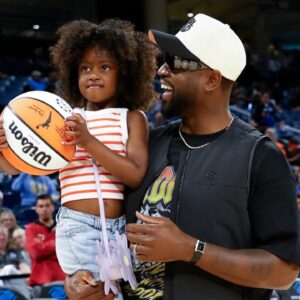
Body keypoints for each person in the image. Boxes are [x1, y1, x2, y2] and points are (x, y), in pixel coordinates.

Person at [65, 13, 300, 300]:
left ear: (211, 79)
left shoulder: (261, 157)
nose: (162, 71)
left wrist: (192, 249)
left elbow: (284, 271)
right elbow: (96, 215)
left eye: (174, 62)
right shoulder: (148, 144)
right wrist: (80, 278)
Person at [52, 18, 157, 297]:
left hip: (120, 229)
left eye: (105, 67)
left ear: (124, 75)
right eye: (84, 68)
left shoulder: (134, 118)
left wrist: (88, 141)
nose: (93, 74)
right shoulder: (66, 119)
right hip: (78, 226)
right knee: (98, 294)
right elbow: (28, 164)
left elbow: (135, 173)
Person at [25, 194, 65, 286]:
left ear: (53, 207)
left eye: (47, 205)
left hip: (62, 279)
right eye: (41, 206)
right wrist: (57, 244)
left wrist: (43, 247)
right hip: (39, 282)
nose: (44, 209)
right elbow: (36, 253)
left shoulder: (63, 227)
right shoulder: (31, 228)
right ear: (36, 209)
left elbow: (68, 251)